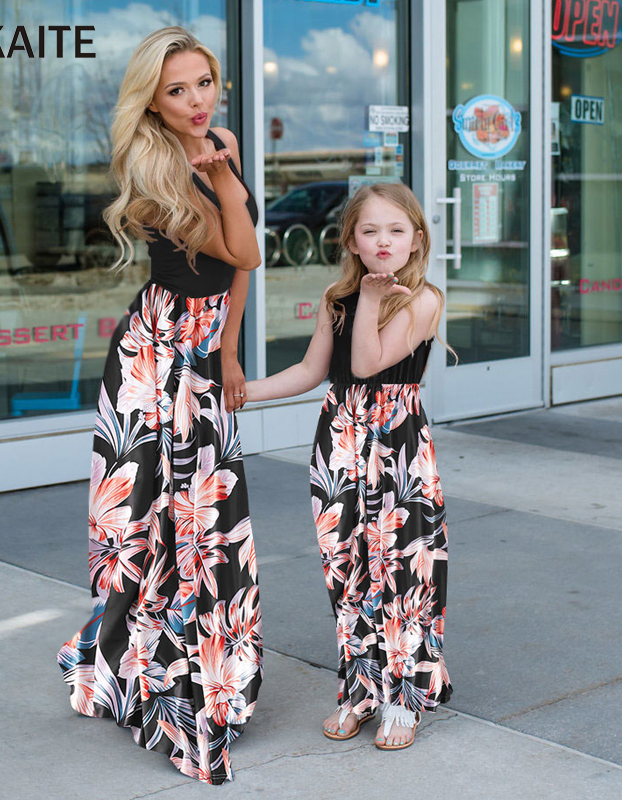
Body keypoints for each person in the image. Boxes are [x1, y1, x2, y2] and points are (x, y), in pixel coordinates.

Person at [57, 27, 263, 785]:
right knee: (154, 519)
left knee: (205, 517)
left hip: (204, 350)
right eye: (177, 90)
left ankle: (202, 672)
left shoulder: (221, 141)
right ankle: (151, 678)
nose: (196, 100)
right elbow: (243, 248)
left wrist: (233, 351)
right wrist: (232, 183)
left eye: (204, 82)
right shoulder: (151, 163)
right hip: (156, 357)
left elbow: (240, 275)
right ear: (152, 98)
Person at [246, 182, 453, 750]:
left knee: (404, 574)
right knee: (348, 571)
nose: (383, 241)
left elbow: (366, 362)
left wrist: (369, 299)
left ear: (416, 239)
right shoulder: (336, 298)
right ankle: (361, 689)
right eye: (369, 231)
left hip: (398, 448)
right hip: (339, 444)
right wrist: (241, 392)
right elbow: (314, 370)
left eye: (395, 230)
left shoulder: (424, 299)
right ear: (352, 241)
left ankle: (405, 698)